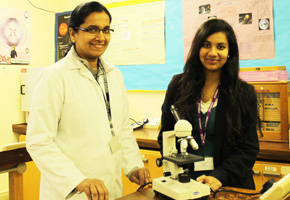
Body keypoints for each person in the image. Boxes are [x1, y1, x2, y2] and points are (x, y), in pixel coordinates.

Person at [26, 2, 151, 200]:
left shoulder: (114, 75)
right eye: (92, 29)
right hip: (72, 191)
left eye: (106, 30)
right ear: (73, 33)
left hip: (109, 187)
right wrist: (77, 180)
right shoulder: (55, 77)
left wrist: (133, 166)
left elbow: (121, 129)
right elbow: (39, 142)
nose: (100, 37)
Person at [157, 18, 260, 192]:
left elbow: (248, 148)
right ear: (198, 48)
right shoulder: (178, 85)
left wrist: (219, 176)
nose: (212, 52)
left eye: (220, 47)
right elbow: (165, 136)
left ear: (229, 52)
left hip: (228, 183)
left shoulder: (243, 93)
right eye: (206, 45)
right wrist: (180, 171)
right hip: (186, 183)